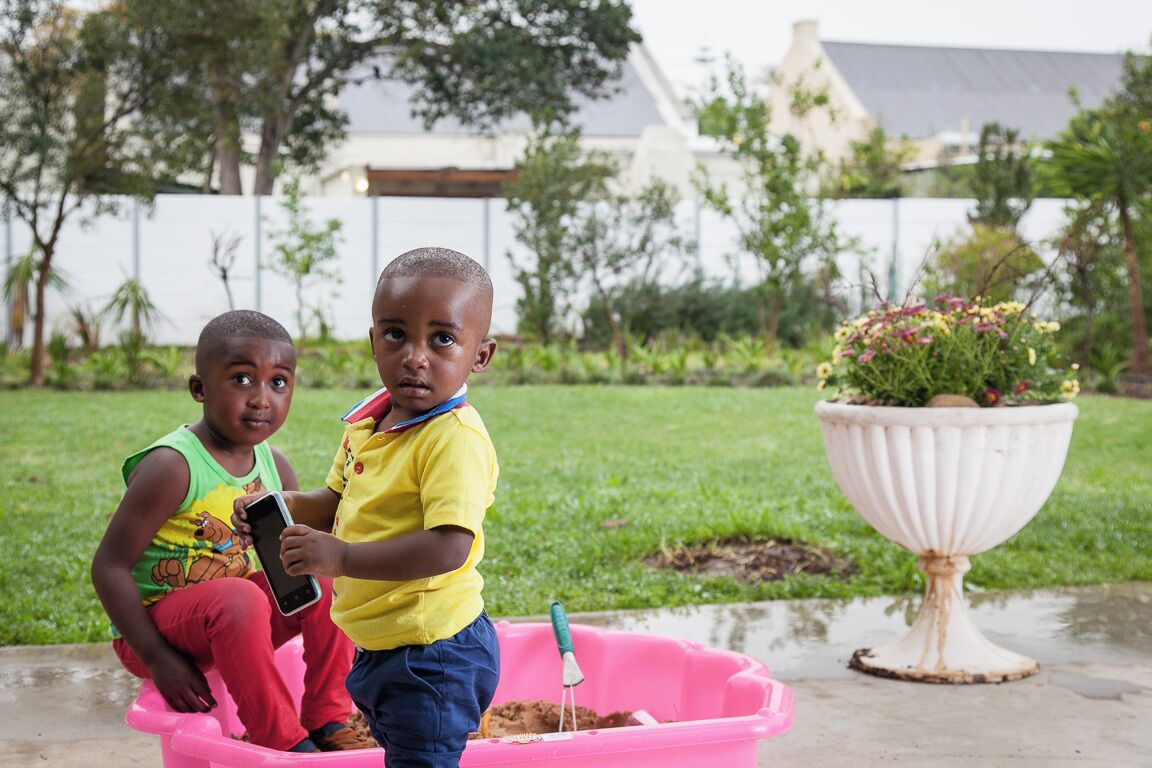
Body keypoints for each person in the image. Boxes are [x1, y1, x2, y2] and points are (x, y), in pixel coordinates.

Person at [232, 247, 501, 768]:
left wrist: (344, 560)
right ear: (373, 340)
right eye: (396, 334)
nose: (415, 356)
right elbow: (333, 504)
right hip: (382, 643)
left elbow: (450, 546)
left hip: (433, 652)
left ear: (480, 356)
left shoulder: (454, 439)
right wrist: (284, 504)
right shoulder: (366, 424)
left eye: (442, 339)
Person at [91, 310, 372, 753]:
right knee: (240, 597)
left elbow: (293, 560)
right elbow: (108, 566)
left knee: (323, 572)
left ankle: (327, 715)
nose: (262, 398)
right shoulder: (174, 465)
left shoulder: (273, 465)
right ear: (199, 389)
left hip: (236, 621)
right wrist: (157, 658)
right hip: (158, 630)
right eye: (242, 379)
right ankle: (280, 739)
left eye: (278, 382)